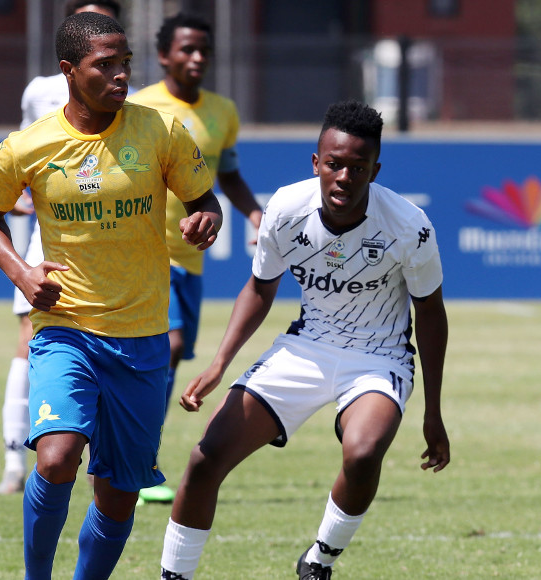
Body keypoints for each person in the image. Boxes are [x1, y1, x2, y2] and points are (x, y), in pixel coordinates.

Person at [0, 12, 223, 579]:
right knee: (57, 458)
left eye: (124, 63)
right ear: (69, 70)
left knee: (118, 492)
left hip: (141, 336)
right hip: (67, 329)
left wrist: (206, 217)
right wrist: (22, 273)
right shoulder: (29, 146)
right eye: (104, 65)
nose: (120, 75)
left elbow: (204, 199)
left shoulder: (160, 131)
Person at [158, 101, 450, 580]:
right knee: (205, 458)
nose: (344, 177)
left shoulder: (408, 226)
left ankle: (319, 561)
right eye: (334, 164)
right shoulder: (285, 209)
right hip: (306, 347)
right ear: (316, 162)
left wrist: (432, 412)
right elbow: (259, 288)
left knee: (362, 453)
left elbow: (431, 314)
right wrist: (218, 364)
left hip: (379, 359)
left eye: (358, 168)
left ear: (375, 171)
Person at [128, 12, 263, 504]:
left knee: (167, 354)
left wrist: (255, 214)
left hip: (192, 257)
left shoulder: (223, 111)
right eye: (187, 49)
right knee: (169, 346)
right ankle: (139, 460)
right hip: (145, 250)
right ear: (164, 55)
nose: (198, 57)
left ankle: (126, 448)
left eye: (204, 49)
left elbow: (228, 175)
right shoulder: (140, 107)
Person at [0, 0, 125, 496]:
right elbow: (24, 152)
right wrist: (21, 195)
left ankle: (105, 461)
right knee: (30, 338)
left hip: (114, 246)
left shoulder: (128, 97)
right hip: (51, 239)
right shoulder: (40, 92)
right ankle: (14, 459)